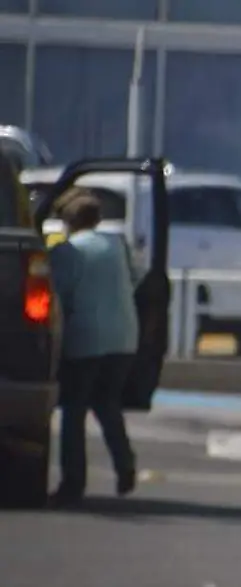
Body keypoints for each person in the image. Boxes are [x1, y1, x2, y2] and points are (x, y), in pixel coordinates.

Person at [47, 187, 140, 507]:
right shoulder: (117, 246)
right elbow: (137, 279)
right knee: (107, 405)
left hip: (86, 340)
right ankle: (125, 465)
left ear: (67, 221)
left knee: (74, 412)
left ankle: (73, 484)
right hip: (124, 339)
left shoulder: (67, 252)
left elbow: (57, 293)